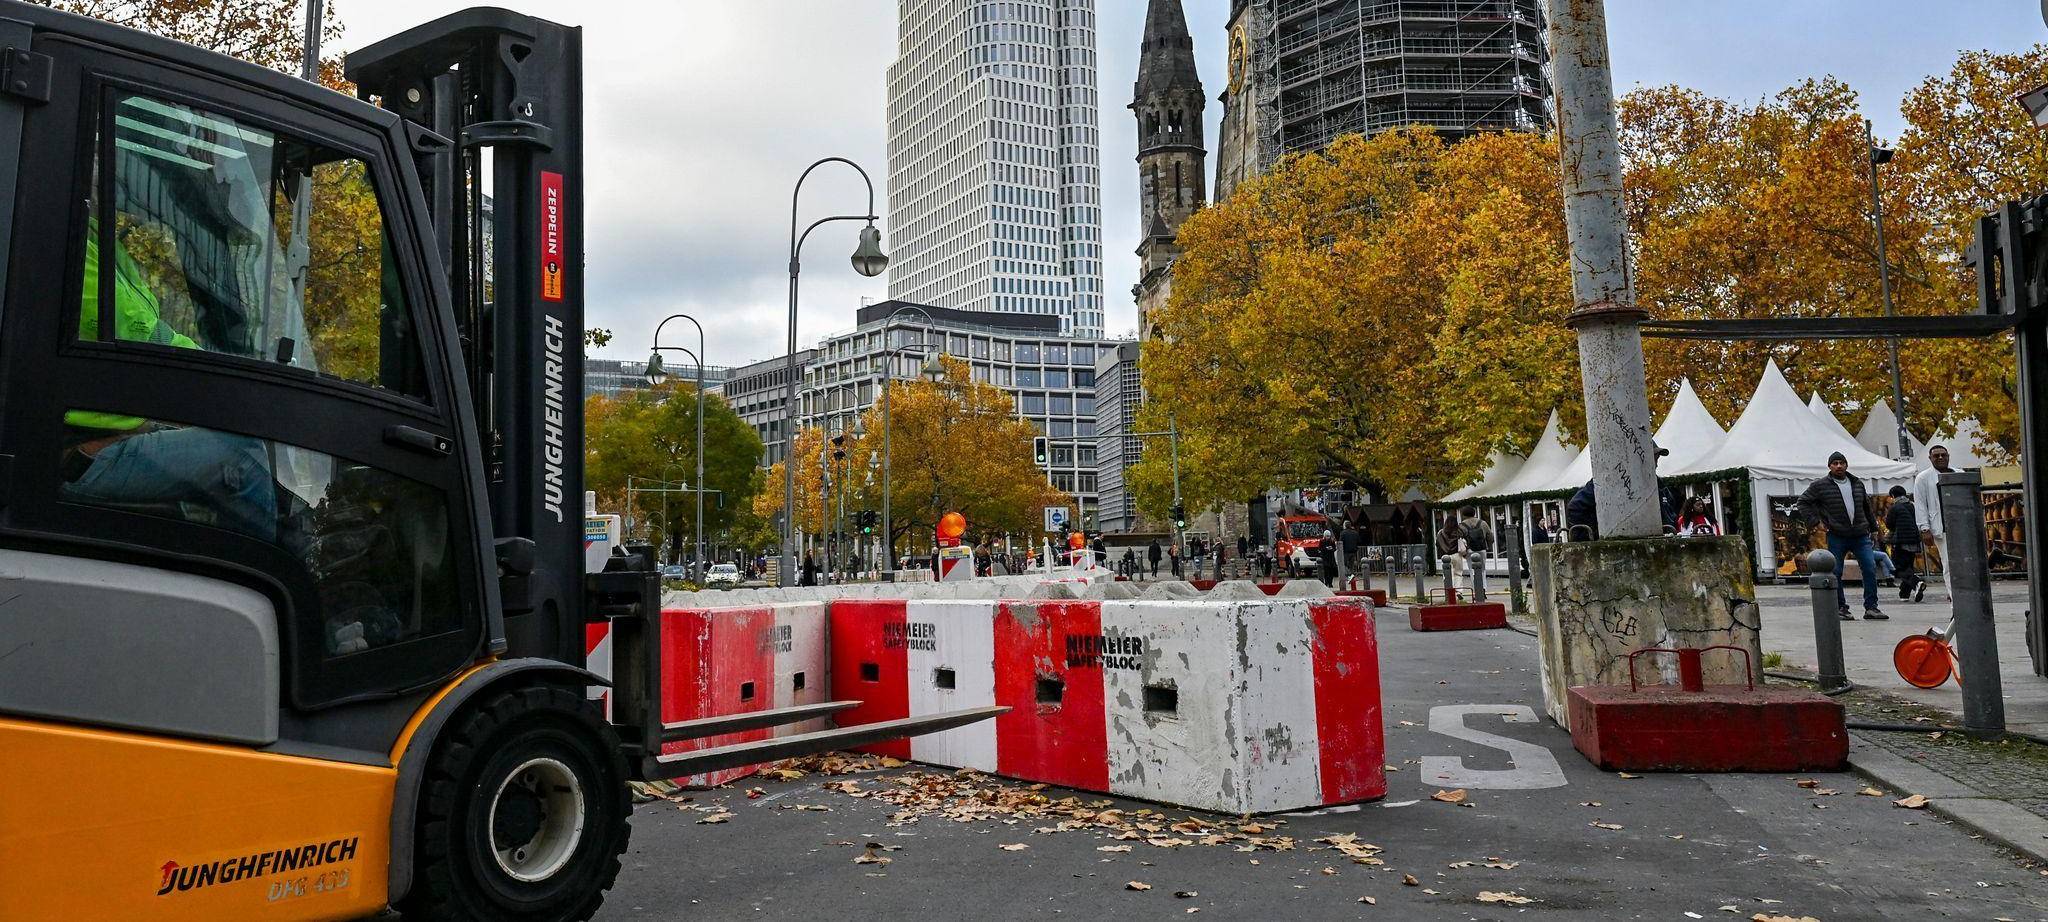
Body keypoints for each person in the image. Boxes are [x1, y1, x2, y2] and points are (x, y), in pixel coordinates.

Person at [1797, 451, 1886, 621]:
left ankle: (1872, 607)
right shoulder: (1820, 485)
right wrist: (1816, 522)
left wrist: (1874, 528)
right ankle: (1840, 607)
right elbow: (1803, 502)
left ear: (1846, 465)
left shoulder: (1857, 483)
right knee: (1835, 571)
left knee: (1869, 567)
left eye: (1841, 463)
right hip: (1837, 534)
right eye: (1835, 463)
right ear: (1829, 466)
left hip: (1860, 534)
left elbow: (1866, 507)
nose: (1838, 466)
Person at [1911, 444, 1955, 602]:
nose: (1941, 458)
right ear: (1930, 459)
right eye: (1936, 456)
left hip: (1961, 527)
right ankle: (1953, 597)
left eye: (1943, 455)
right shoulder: (1923, 478)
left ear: (1948, 456)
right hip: (1940, 527)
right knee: (1949, 563)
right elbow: (1921, 504)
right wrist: (1924, 528)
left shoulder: (1958, 473)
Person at [1885, 485, 1926, 603]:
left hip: (1901, 541)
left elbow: (1889, 524)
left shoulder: (1895, 508)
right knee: (1908, 566)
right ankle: (1904, 593)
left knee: (1899, 568)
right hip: (1914, 541)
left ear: (1893, 496)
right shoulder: (1913, 506)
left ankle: (1916, 582)